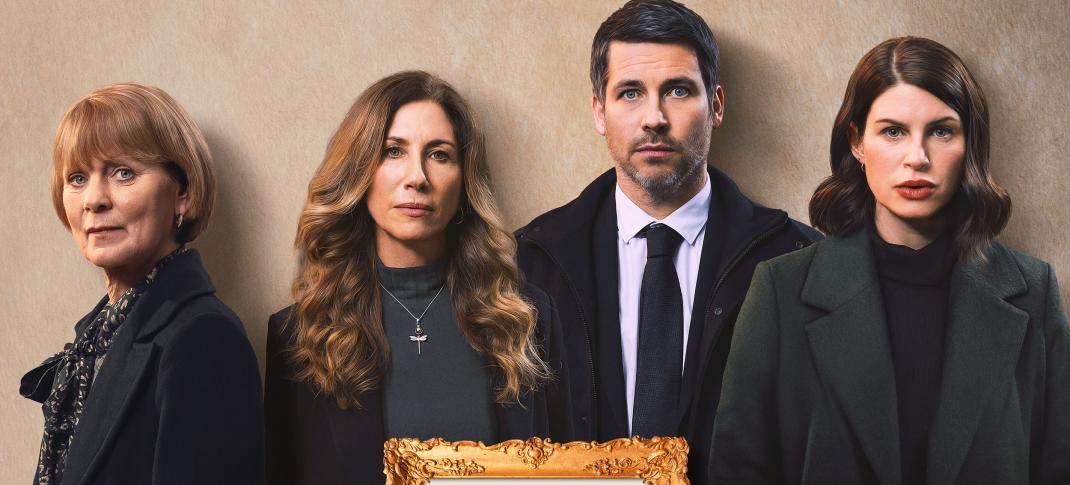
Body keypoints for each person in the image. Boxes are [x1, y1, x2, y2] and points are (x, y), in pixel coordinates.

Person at [709, 36, 1070, 484]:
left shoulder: (1033, 292)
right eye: (893, 131)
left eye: (941, 130)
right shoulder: (780, 291)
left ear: (969, 143)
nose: (916, 158)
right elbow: (737, 471)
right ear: (858, 142)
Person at [514, 1, 820, 483]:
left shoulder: (797, 260)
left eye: (678, 90)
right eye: (630, 93)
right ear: (599, 111)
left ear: (715, 105)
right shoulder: (529, 263)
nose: (654, 117)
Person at [264, 70, 571, 485]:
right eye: (393, 152)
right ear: (361, 173)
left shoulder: (526, 318)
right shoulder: (298, 333)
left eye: (439, 154)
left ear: (464, 182)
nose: (417, 178)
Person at [19, 83, 264, 485]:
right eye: (77, 178)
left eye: (123, 173)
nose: (93, 199)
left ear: (182, 193)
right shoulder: (95, 339)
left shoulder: (204, 337)